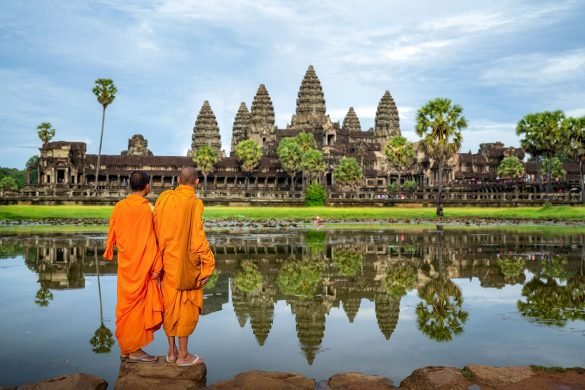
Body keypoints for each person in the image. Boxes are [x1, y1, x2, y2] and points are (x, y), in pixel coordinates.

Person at [153, 166, 215, 366]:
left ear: (178, 179)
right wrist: (208, 263)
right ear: (197, 182)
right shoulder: (195, 203)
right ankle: (184, 355)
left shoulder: (164, 198)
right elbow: (197, 237)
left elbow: (155, 227)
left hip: (165, 261)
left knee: (169, 305)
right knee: (185, 306)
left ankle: (171, 352)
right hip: (185, 264)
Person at [104, 170, 163, 363]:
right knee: (137, 306)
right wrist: (157, 263)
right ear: (147, 186)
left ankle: (126, 348)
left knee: (125, 306)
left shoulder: (119, 206)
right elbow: (149, 239)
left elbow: (112, 233)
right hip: (141, 265)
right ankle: (134, 350)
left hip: (127, 263)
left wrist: (111, 249)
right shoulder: (144, 208)